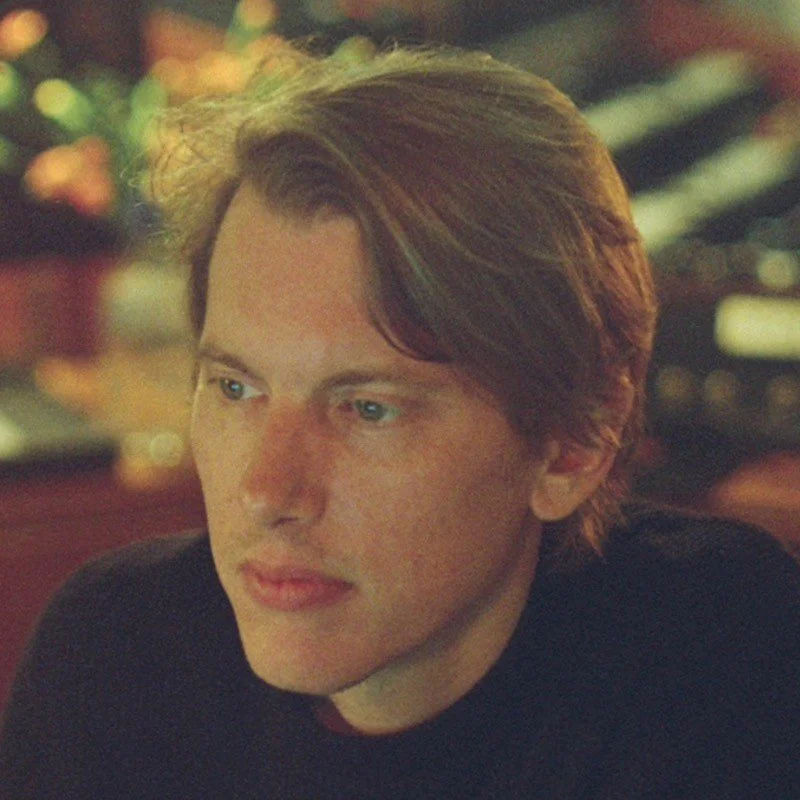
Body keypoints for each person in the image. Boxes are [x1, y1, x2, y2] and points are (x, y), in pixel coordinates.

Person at [1, 45, 799, 799]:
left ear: (574, 443)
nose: (266, 492)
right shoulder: (110, 666)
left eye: (368, 409)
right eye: (237, 388)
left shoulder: (732, 670)